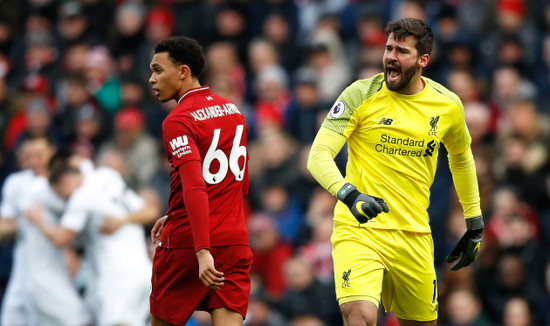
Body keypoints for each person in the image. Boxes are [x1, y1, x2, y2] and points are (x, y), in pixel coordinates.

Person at [307, 18, 484, 326]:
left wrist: (474, 220)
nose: (390, 56)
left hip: (413, 233)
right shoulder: (360, 94)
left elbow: (462, 158)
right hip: (360, 227)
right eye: (388, 48)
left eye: (402, 51)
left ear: (423, 60)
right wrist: (349, 195)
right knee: (359, 317)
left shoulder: (447, 105)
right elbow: (318, 155)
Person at [147, 36, 252, 326]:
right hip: (233, 241)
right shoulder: (233, 111)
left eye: (158, 70)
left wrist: (202, 250)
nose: (151, 79)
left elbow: (195, 185)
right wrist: (179, 209)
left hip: (188, 246)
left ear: (182, 71)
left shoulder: (177, 120)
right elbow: (238, 186)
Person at [27, 151, 157, 326]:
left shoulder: (81, 197)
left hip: (117, 277)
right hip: (144, 272)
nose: (64, 200)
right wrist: (123, 221)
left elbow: (61, 238)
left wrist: (38, 221)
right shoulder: (106, 175)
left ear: (65, 181)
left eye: (60, 194)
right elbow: (151, 212)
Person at [0, 135, 93, 326]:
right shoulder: (22, 185)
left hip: (54, 270)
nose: (34, 161)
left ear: (52, 153)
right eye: (29, 155)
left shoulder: (58, 182)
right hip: (27, 272)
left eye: (39, 155)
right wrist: (24, 223)